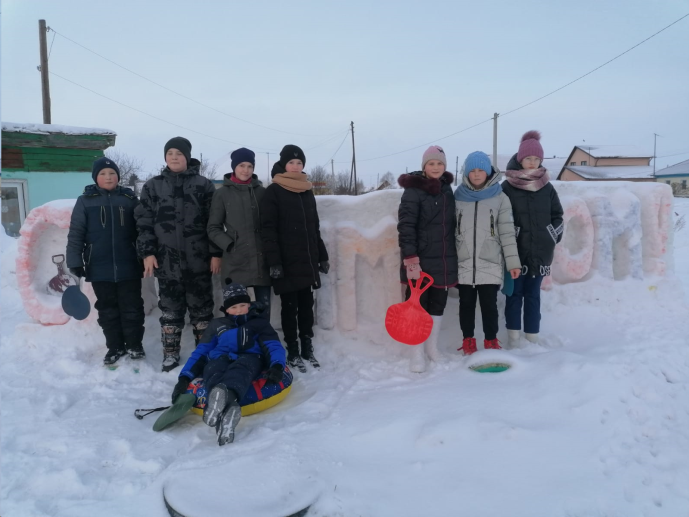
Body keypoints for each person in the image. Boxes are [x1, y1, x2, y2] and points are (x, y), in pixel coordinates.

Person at [135, 137, 222, 372]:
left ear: (187, 157)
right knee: (171, 310)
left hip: (198, 261)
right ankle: (170, 354)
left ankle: (203, 353)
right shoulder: (153, 186)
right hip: (166, 261)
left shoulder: (203, 185)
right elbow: (143, 223)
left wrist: (216, 254)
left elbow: (214, 223)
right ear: (165, 157)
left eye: (179, 153)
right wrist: (148, 253)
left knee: (202, 311)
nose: (174, 157)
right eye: (170, 153)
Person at [170, 282, 285, 445]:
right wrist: (184, 378)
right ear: (226, 309)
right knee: (212, 369)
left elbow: (273, 346)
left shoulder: (259, 323)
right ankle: (228, 409)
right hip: (220, 358)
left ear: (249, 304)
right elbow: (201, 351)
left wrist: (277, 365)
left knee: (240, 370)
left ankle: (222, 401)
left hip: (249, 358)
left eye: (242, 305)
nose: (238, 310)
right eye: (234, 307)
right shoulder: (217, 325)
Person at [66, 157, 145, 365]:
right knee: (107, 309)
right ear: (96, 177)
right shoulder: (85, 201)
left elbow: (143, 231)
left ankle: (135, 345)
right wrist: (75, 260)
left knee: (132, 307)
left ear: (118, 177)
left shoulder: (129, 200)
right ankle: (115, 347)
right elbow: (76, 233)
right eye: (103, 174)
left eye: (112, 173)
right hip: (99, 265)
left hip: (129, 263)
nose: (108, 177)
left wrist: (146, 255)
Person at [260, 145, 329, 373]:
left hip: (307, 260)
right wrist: (275, 263)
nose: (296, 166)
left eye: (300, 163)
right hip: (287, 262)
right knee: (289, 309)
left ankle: (307, 348)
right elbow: (268, 230)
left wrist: (322, 256)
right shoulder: (274, 191)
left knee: (306, 308)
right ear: (283, 164)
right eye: (292, 163)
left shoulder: (307, 191)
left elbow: (314, 227)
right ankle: (293, 351)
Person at [397, 145, 458, 372]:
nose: (436, 167)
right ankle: (416, 354)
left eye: (440, 163)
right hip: (419, 260)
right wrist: (411, 258)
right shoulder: (413, 191)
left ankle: (432, 349)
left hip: (443, 259)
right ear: (424, 166)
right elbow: (406, 226)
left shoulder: (447, 190)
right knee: (417, 307)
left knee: (437, 305)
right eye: (431, 164)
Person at [454, 151, 521, 355]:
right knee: (465, 305)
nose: (476, 174)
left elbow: (508, 233)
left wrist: (513, 263)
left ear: (488, 172)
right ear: (466, 173)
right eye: (472, 170)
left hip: (490, 261)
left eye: (480, 170)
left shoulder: (500, 198)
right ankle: (468, 340)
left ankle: (491, 340)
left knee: (489, 306)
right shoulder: (457, 197)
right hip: (463, 262)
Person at [502, 131, 564, 346]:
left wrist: (551, 234)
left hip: (540, 251)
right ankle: (513, 336)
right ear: (520, 159)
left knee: (533, 295)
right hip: (515, 252)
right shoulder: (507, 187)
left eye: (536, 159)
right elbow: (500, 217)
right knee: (514, 294)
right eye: (528, 158)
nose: (532, 162)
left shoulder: (546, 187)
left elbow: (558, 215)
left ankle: (532, 335)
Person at [207, 148, 271, 319]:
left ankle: (263, 343)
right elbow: (213, 227)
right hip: (235, 260)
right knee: (236, 313)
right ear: (234, 167)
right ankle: (237, 344)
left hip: (261, 260)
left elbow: (270, 223)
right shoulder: (222, 194)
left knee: (263, 312)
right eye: (242, 165)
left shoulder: (262, 192)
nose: (246, 170)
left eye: (250, 166)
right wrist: (229, 244)